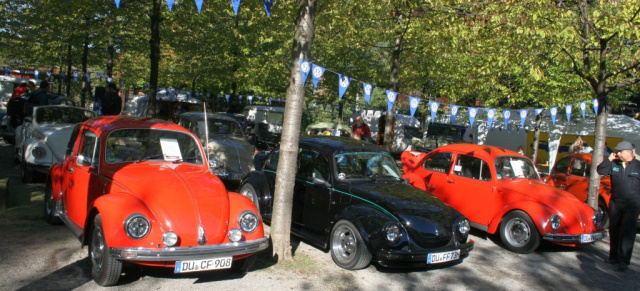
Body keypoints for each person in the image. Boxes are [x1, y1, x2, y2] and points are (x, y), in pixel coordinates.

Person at [597, 141, 640, 272]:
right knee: (614, 229)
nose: (618, 153)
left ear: (629, 152)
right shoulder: (614, 164)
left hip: (632, 204)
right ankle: (613, 256)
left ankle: (623, 260)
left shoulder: (638, 166)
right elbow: (600, 170)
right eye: (618, 151)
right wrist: (608, 159)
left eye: (621, 151)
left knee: (627, 232)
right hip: (616, 202)